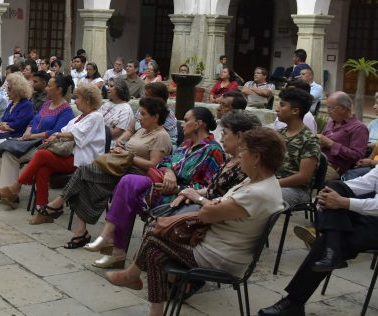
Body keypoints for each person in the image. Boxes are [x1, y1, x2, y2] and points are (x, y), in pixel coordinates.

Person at [108, 127, 285, 316]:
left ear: (256, 157)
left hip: (220, 257)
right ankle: (153, 308)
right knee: (153, 250)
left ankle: (132, 276)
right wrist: (205, 201)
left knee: (154, 230)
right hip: (220, 246)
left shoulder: (257, 193)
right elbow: (220, 204)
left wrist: (197, 198)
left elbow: (207, 214)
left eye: (243, 152)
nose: (239, 157)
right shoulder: (260, 182)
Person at [258, 127, 378, 316]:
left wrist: (343, 202)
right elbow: (364, 183)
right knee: (335, 185)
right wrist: (330, 194)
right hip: (373, 218)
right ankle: (331, 252)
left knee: (326, 240)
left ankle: (296, 299)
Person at [84, 106, 226, 269]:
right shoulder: (186, 144)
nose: (181, 124)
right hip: (161, 185)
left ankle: (115, 250)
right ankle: (109, 240)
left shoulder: (213, 150)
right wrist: (169, 172)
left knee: (125, 197)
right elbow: (165, 162)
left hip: (179, 198)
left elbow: (210, 188)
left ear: (199, 124)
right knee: (127, 182)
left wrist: (177, 188)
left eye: (186, 120)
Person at [54, 96, 172, 252]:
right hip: (122, 168)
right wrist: (121, 152)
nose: (139, 118)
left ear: (156, 117)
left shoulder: (161, 136)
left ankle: (61, 206)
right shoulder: (143, 130)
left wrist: (128, 155)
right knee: (86, 177)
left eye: (143, 114)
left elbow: (153, 165)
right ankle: (80, 230)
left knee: (86, 174)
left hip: (136, 175)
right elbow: (129, 151)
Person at [0, 84, 106, 224]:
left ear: (88, 100)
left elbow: (75, 134)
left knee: (42, 155)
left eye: (77, 98)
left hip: (83, 160)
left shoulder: (96, 116)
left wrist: (57, 135)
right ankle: (43, 210)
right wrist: (55, 136)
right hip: (70, 156)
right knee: (43, 168)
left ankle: (16, 186)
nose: (75, 101)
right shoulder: (78, 118)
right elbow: (63, 131)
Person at [0, 75, 75, 204]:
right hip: (29, 141)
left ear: (58, 89)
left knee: (9, 153)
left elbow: (56, 132)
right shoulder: (46, 104)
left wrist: (33, 136)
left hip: (44, 146)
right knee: (0, 149)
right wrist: (28, 130)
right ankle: (0, 189)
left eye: (49, 86)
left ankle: (10, 194)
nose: (46, 88)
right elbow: (33, 120)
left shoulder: (66, 111)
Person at [275, 86, 320, 206]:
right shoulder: (279, 134)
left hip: (297, 190)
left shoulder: (310, 139)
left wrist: (272, 184)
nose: (277, 109)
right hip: (275, 184)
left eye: (282, 105)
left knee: (261, 195)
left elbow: (303, 177)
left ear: (295, 111)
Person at [319, 92, 368, 180]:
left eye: (331, 108)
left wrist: (332, 144)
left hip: (332, 168)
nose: (328, 112)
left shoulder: (359, 127)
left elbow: (357, 156)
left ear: (343, 109)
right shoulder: (331, 123)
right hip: (317, 160)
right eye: (327, 108)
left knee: (305, 177)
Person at [99, 78, 135, 143]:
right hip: (98, 138)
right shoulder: (107, 104)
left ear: (120, 89)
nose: (108, 88)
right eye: (108, 86)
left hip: (111, 143)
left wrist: (96, 131)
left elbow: (116, 132)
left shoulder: (125, 109)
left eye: (111, 86)